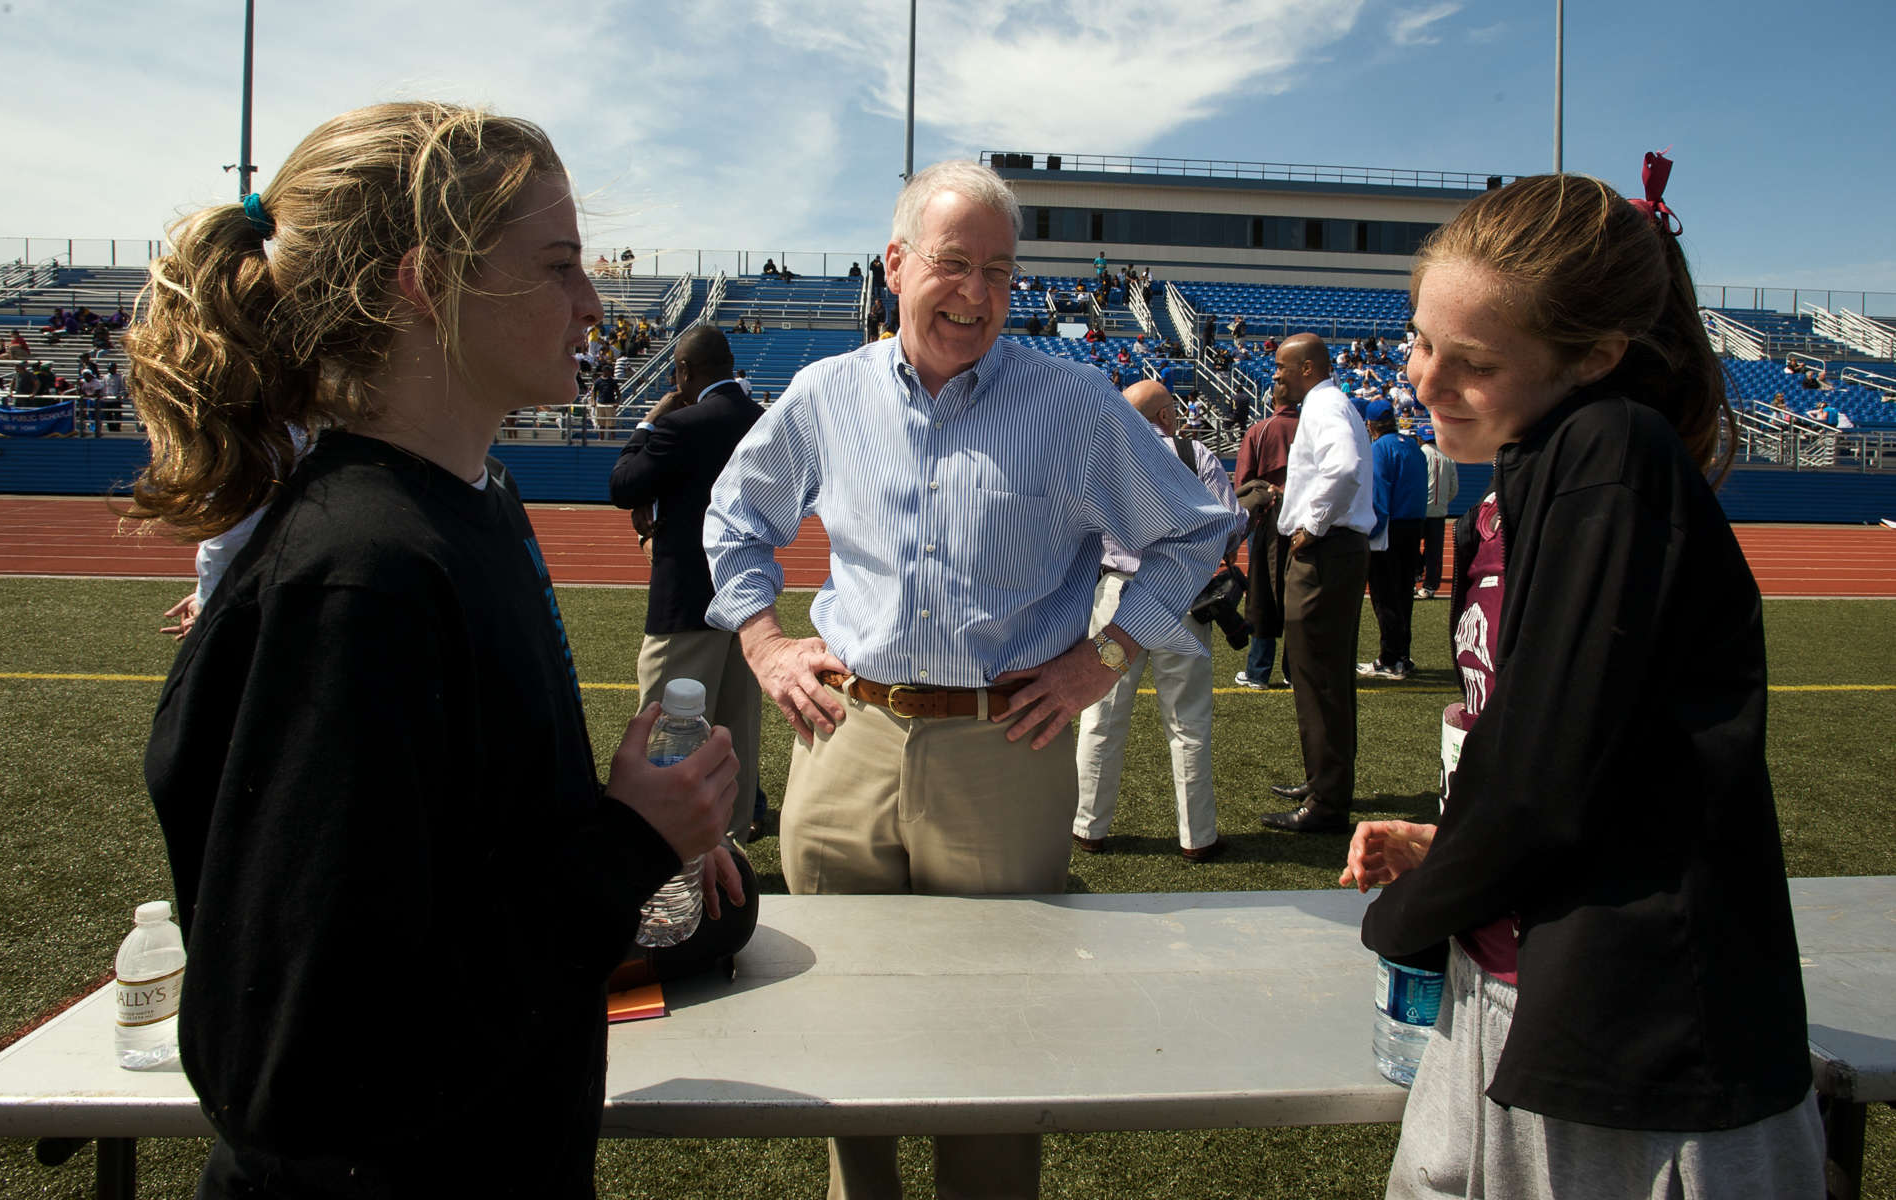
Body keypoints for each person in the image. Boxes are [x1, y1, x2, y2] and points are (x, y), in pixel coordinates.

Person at [126, 101, 741, 1198]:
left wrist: (629, 827)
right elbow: (305, 1069)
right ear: (426, 283)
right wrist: (620, 846)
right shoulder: (362, 577)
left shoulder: (472, 500)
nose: (593, 304)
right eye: (557, 267)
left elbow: (452, 865)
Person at [704, 159, 1235, 1200]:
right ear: (896, 265)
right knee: (842, 1020)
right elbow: (735, 520)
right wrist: (765, 646)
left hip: (1007, 749)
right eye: (953, 264)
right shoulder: (826, 395)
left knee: (999, 1039)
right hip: (845, 737)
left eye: (1000, 271)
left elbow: (1191, 534)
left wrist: (1107, 654)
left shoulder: (1074, 405)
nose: (977, 294)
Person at [1341, 164, 1823, 1198]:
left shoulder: (1609, 450)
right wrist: (1450, 845)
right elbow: (1591, 749)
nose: (1424, 382)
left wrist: (1413, 908)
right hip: (1517, 981)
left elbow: (1544, 782)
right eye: (1420, 341)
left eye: (1471, 362)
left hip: (1632, 1045)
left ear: (1594, 358)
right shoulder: (1526, 481)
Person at [1072, 381, 1244, 863]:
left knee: (1101, 717)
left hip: (1116, 593)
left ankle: (1088, 826)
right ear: (1168, 416)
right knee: (1187, 721)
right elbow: (1229, 530)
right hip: (1181, 598)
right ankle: (1197, 837)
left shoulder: (1104, 460)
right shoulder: (1196, 456)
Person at [609, 326, 767, 842]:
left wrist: (650, 420)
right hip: (746, 600)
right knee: (734, 736)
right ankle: (732, 846)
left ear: (683, 372)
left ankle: (655, 846)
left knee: (664, 731)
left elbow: (623, 484)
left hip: (686, 604)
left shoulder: (680, 425)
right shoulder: (761, 420)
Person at [1259, 333, 1373, 835]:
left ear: (1307, 368)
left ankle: (1326, 801)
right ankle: (1323, 782)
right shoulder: (1331, 404)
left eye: (1283, 367)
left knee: (1317, 678)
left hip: (1325, 555)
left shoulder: (1325, 405)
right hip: (1336, 554)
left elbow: (1343, 466)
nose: (1276, 375)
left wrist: (1314, 523)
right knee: (1326, 677)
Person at [1232, 385, 1300, 689]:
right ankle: (1294, 670)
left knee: (1261, 594)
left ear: (1272, 399)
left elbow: (1243, 483)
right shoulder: (1311, 429)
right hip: (1303, 522)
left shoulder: (1260, 430)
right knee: (1298, 593)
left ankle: (1259, 671)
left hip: (1266, 519)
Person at [1358, 399, 1427, 680]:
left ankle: (1389, 658)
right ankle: (1402, 656)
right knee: (1403, 596)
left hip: (1390, 530)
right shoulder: (1413, 446)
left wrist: (1370, 532)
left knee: (1385, 596)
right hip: (1413, 526)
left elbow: (1379, 497)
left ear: (1370, 424)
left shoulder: (1379, 449)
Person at [1414, 424, 1456, 598]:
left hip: (1420, 510)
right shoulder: (1448, 457)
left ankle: (1415, 572)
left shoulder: (1419, 454)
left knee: (1410, 544)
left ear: (1421, 438)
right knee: (1435, 551)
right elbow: (1454, 487)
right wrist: (1444, 502)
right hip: (1439, 512)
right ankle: (1430, 585)